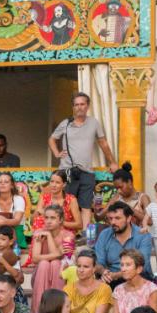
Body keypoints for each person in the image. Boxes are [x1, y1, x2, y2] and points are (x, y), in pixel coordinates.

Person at [48, 92, 119, 227]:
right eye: (76, 105)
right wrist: (56, 153)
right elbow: (52, 139)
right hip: (67, 171)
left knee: (86, 205)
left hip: (87, 171)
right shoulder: (66, 124)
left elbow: (103, 143)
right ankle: (65, 233)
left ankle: (86, 236)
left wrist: (112, 162)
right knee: (67, 204)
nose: (79, 107)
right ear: (73, 107)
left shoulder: (94, 123)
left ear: (88, 106)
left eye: (82, 104)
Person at [94, 202, 153, 283]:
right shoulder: (105, 234)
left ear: (128, 218)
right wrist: (104, 272)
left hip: (138, 278)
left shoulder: (143, 235)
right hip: (111, 278)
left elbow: (143, 266)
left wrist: (116, 275)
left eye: (117, 218)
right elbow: (99, 262)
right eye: (110, 218)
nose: (113, 222)